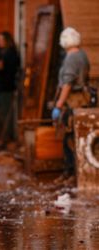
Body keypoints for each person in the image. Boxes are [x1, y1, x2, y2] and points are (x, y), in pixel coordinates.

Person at [51, 27, 90, 177]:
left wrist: (58, 105)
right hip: (82, 99)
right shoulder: (82, 55)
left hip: (73, 101)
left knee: (69, 138)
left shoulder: (72, 58)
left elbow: (67, 84)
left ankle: (70, 173)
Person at [0, 31, 20, 146]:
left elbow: (1, 69)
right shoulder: (11, 52)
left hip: (5, 87)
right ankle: (6, 137)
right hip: (6, 86)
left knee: (5, 114)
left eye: (1, 40)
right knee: (5, 113)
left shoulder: (7, 54)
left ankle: (7, 138)